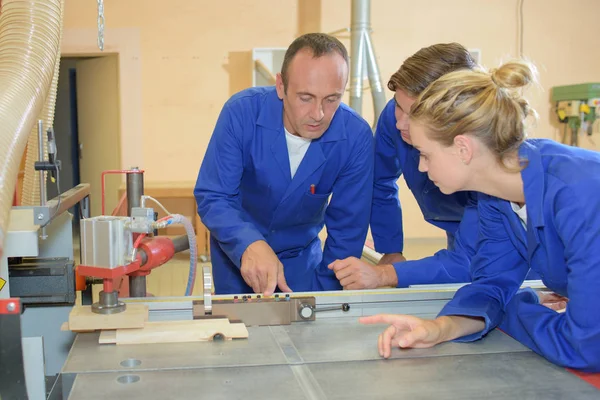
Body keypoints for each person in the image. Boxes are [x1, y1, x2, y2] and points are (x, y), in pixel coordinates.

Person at [360, 60, 600, 372]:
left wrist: (515, 306)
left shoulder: (580, 195)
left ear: (463, 149)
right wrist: (440, 329)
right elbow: (490, 285)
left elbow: (585, 347)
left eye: (425, 153)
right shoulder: (495, 198)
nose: (420, 166)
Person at [194, 33, 374, 295]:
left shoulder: (355, 136)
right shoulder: (241, 113)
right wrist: (249, 243)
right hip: (238, 257)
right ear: (280, 86)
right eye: (305, 98)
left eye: (332, 99)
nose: (318, 114)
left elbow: (347, 229)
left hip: (301, 266)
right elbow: (215, 196)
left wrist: (323, 296)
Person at [329, 43, 479, 290]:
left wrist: (388, 274)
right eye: (399, 105)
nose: (400, 124)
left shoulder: (483, 150)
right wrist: (390, 250)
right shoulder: (394, 117)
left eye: (415, 113)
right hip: (456, 235)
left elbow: (467, 262)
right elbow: (380, 182)